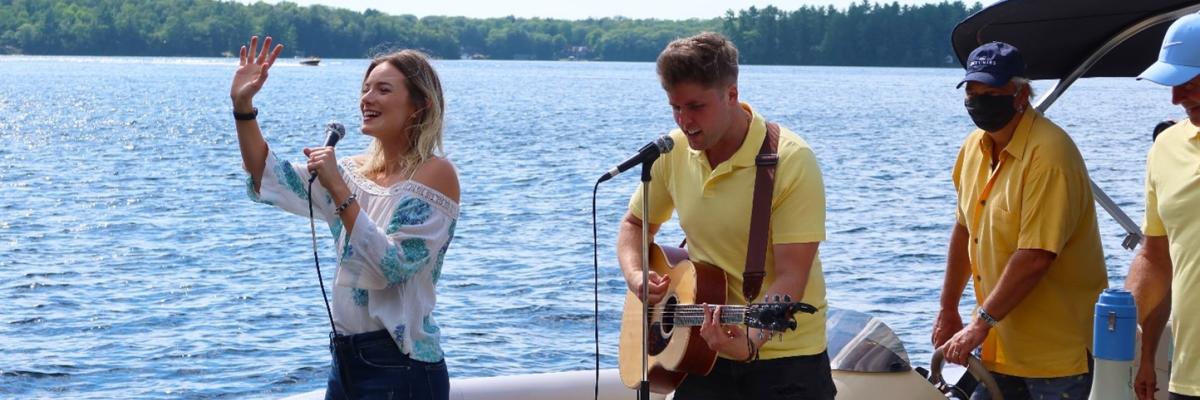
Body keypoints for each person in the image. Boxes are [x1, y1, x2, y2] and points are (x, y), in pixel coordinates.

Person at [229, 35, 458, 400]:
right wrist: (243, 108)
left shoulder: (435, 174)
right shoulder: (350, 171)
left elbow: (392, 267)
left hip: (403, 366)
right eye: (366, 89)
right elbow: (267, 177)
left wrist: (338, 189)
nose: (367, 99)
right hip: (346, 361)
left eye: (383, 89)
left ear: (420, 105)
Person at [615, 32, 835, 400]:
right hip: (702, 355)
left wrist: (751, 339)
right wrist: (637, 277)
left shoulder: (791, 160)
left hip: (786, 359)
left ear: (732, 94)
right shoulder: (673, 152)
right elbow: (633, 225)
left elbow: (792, 274)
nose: (684, 121)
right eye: (675, 107)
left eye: (696, 106)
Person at [931, 41, 1108, 400]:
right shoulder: (972, 148)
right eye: (972, 91)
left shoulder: (1050, 153)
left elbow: (1036, 255)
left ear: (1021, 94)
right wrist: (948, 309)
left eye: (991, 92)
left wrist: (979, 325)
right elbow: (966, 229)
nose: (979, 100)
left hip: (1057, 358)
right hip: (997, 348)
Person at [1127, 11, 1200, 400]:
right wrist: (1125, 322)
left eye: (1188, 82)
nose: (1175, 97)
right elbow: (1156, 255)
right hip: (1189, 377)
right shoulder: (1165, 148)